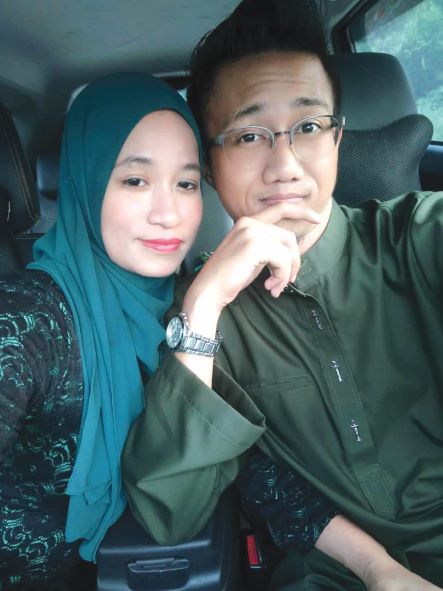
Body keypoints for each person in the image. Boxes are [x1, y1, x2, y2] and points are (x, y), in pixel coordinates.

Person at [122, 0, 443, 589]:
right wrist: (203, 307)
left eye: (309, 126)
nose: (286, 165)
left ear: (338, 138)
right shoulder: (200, 317)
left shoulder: (416, 237)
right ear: (210, 168)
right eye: (249, 135)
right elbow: (168, 511)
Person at [0, 72, 203, 590]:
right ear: (85, 184)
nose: (168, 213)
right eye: (135, 180)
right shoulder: (28, 319)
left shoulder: (195, 300)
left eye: (186, 183)